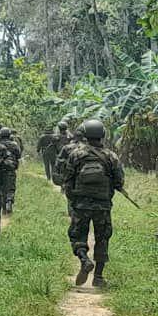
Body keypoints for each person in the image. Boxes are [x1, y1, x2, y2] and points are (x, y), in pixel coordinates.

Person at [62, 119, 123, 288]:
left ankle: (84, 259)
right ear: (103, 135)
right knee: (102, 238)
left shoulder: (76, 154)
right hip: (103, 206)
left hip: (81, 204)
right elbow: (119, 180)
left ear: (85, 135)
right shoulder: (111, 156)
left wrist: (72, 200)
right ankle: (98, 277)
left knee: (77, 235)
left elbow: (68, 178)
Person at [0, 126, 22, 214]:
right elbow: (18, 155)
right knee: (11, 187)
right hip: (10, 168)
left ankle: (3, 208)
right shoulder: (14, 144)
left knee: (1, 188)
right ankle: (9, 201)